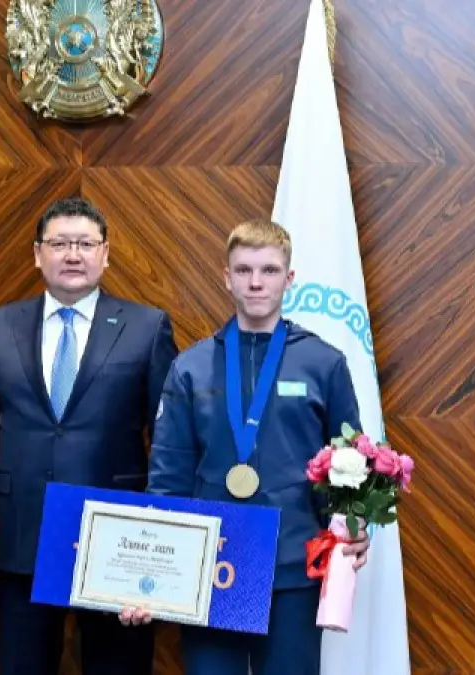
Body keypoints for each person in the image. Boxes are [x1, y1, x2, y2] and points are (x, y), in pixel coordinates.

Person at [117, 219, 370, 675]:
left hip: (293, 568)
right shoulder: (190, 367)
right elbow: (169, 478)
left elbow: (351, 467)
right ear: (226, 277)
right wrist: (149, 573)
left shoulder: (324, 363)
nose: (256, 282)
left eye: (269, 270)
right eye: (244, 270)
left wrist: (355, 525)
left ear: (289, 279)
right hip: (210, 571)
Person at [0, 197, 178, 675]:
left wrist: (162, 538)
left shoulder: (147, 327)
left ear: (106, 254)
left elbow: (169, 443)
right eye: (60, 243)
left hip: (118, 541)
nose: (73, 254)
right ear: (37, 254)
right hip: (22, 535)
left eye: (85, 243)